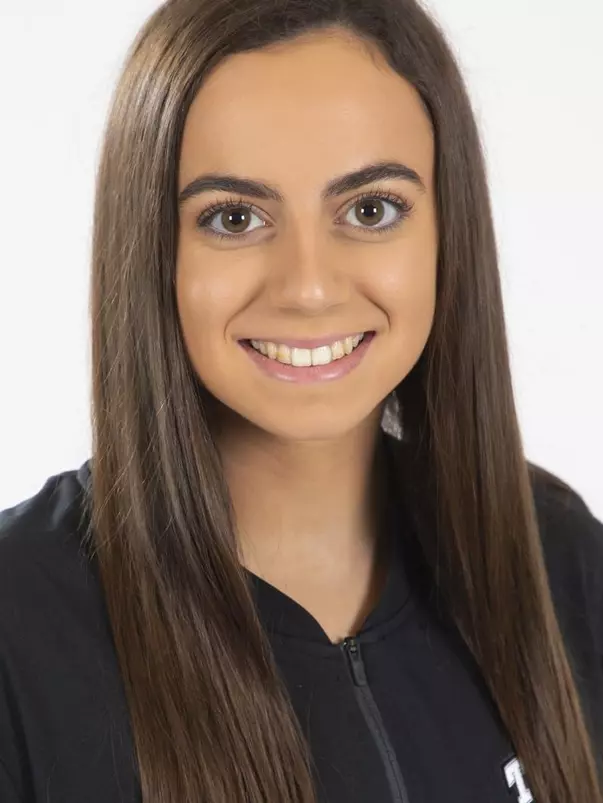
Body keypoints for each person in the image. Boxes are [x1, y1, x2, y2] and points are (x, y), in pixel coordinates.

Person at [0, 0, 601, 801]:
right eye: (234, 217)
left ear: (445, 232)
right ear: (151, 248)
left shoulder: (557, 556)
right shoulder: (17, 629)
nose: (309, 287)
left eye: (370, 209)